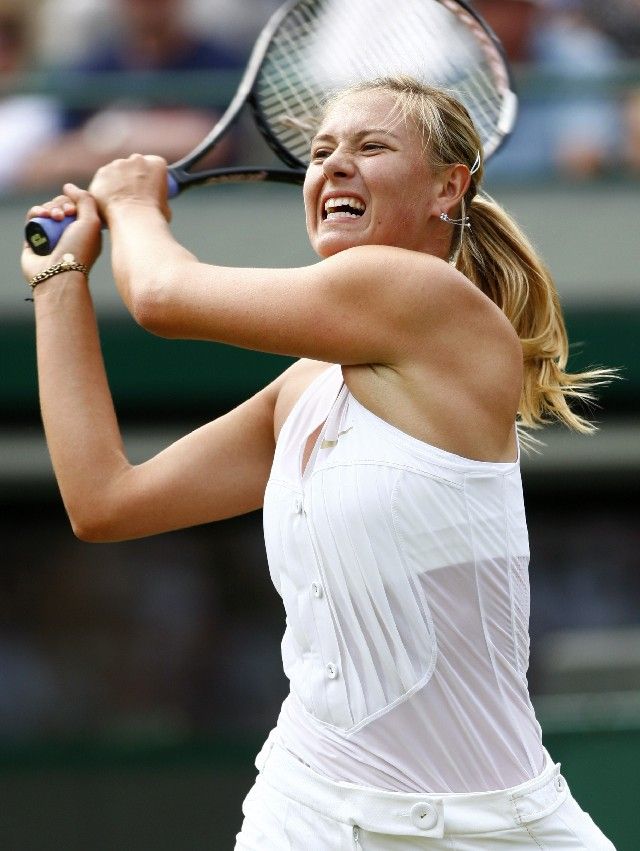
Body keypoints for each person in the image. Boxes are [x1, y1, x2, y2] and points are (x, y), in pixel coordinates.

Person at [21, 76, 615, 849]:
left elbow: (160, 295)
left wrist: (133, 199)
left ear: (449, 187)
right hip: (307, 807)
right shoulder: (303, 387)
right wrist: (57, 281)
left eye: (371, 147)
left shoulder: (424, 297)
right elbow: (104, 499)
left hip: (495, 826)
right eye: (322, 152)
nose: (335, 165)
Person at [18, 0, 242, 191]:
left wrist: (108, 136)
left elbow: (213, 147)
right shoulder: (90, 70)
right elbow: (50, 162)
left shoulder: (221, 63)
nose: (147, 5)